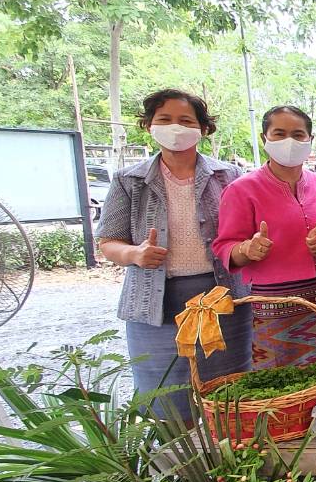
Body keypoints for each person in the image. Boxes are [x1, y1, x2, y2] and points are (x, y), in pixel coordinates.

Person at [98, 89, 250, 421]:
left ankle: (232, 462)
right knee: (166, 394)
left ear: (203, 129)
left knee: (228, 391)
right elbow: (108, 241)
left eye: (186, 120)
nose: (175, 128)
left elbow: (245, 234)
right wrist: (134, 254)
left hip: (221, 296)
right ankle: (180, 467)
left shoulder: (229, 177)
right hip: (155, 303)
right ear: (148, 125)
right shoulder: (129, 181)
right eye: (164, 120)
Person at [213, 105, 316, 369]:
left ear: (310, 139)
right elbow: (224, 245)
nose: (289, 142)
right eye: (279, 134)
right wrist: (247, 249)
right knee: (279, 382)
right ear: (264, 139)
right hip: (273, 305)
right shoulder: (241, 190)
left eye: (298, 134)